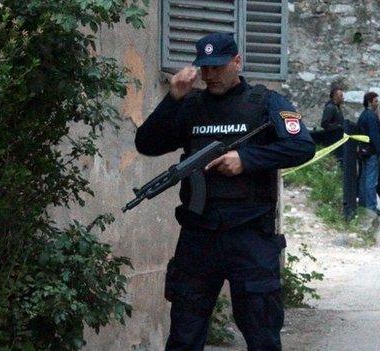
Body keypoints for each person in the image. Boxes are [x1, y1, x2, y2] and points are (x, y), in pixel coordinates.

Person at [134, 33, 316, 350]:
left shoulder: (265, 102)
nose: (210, 75)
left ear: (237, 62)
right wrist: (172, 99)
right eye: (204, 68)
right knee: (184, 337)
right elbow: (146, 144)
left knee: (262, 336)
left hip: (250, 235)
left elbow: (302, 146)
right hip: (198, 236)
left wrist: (247, 159)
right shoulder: (191, 106)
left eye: (218, 67)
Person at [357, 92, 380, 216]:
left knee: (364, 178)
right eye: (375, 101)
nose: (377, 104)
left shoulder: (364, 115)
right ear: (370, 102)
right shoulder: (370, 116)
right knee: (371, 179)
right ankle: (371, 206)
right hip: (371, 151)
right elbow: (375, 135)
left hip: (365, 151)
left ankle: (364, 204)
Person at [321, 88, 345, 163]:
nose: (343, 98)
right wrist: (338, 126)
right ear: (335, 96)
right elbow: (324, 124)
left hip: (338, 140)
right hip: (333, 140)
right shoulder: (330, 108)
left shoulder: (337, 108)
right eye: (341, 96)